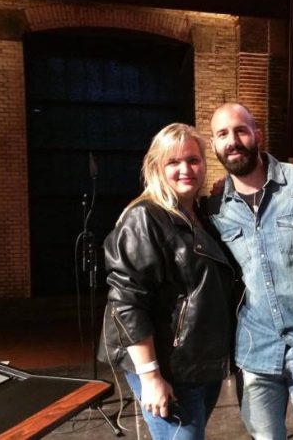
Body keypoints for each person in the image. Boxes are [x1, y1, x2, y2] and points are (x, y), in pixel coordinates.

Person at [206, 102, 293, 440]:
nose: (232, 140)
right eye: (222, 134)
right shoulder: (215, 207)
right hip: (255, 352)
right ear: (213, 144)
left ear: (257, 134)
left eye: (241, 130)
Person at [98, 123, 237, 440]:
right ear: (156, 167)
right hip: (167, 366)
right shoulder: (144, 217)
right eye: (173, 162)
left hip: (199, 362)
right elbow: (126, 302)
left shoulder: (200, 216)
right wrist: (150, 376)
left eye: (193, 160)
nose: (185, 169)